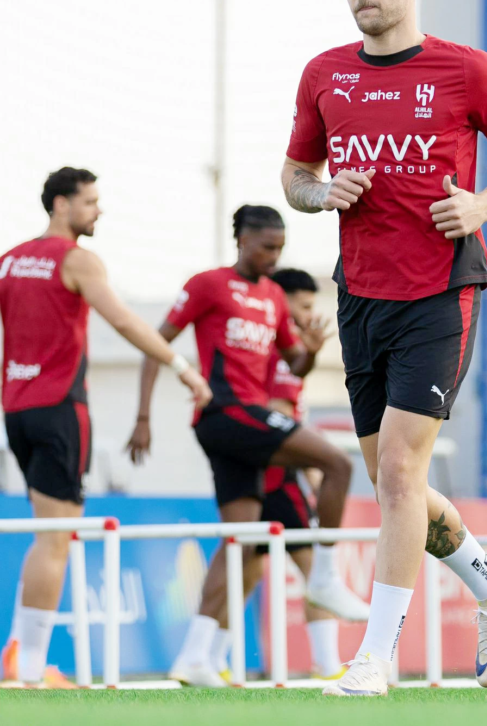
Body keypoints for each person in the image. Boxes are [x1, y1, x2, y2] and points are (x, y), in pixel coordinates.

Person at [281, 0, 487, 696]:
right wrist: (319, 193)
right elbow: (296, 173)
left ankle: (376, 657)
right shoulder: (324, 74)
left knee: (398, 470)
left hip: (440, 291)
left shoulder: (466, 69)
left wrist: (485, 201)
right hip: (360, 294)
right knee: (396, 484)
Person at [127, 206, 367, 688]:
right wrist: (144, 416)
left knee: (238, 544)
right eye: (265, 247)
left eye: (279, 248)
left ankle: (194, 656)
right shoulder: (208, 284)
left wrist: (313, 349)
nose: (273, 257)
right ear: (241, 240)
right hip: (225, 413)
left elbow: (293, 365)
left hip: (248, 421)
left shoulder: (274, 296)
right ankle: (323, 576)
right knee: (337, 463)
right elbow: (159, 344)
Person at [0, 167, 212, 688]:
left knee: (42, 531)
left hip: (17, 409)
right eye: (90, 202)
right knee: (56, 537)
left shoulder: (8, 261)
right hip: (59, 408)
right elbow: (124, 321)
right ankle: (29, 672)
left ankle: (18, 655)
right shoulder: (77, 259)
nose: (99, 211)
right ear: (60, 205)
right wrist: (183, 368)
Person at [210, 267, 365, 682]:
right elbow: (274, 414)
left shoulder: (282, 349)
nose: (311, 314)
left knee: (245, 566)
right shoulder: (270, 350)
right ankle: (328, 665)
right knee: (313, 567)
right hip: (278, 473)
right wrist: (307, 459)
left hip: (267, 469)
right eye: (305, 306)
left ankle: (209, 657)